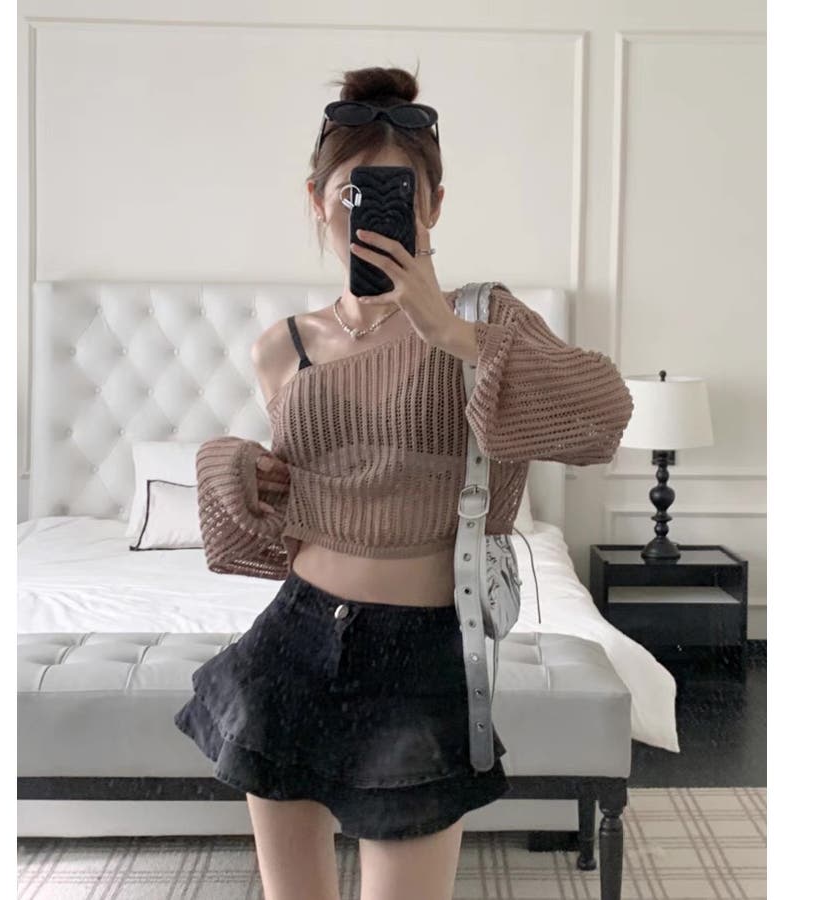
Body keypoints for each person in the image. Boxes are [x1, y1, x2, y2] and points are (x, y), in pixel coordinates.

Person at [174, 65, 634, 900]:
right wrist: (239, 470)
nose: (368, 214)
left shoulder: (485, 319)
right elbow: (293, 516)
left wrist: (448, 332)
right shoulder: (282, 348)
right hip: (294, 639)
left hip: (422, 653)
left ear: (434, 205)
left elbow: (603, 415)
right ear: (316, 200)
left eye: (396, 196)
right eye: (350, 195)